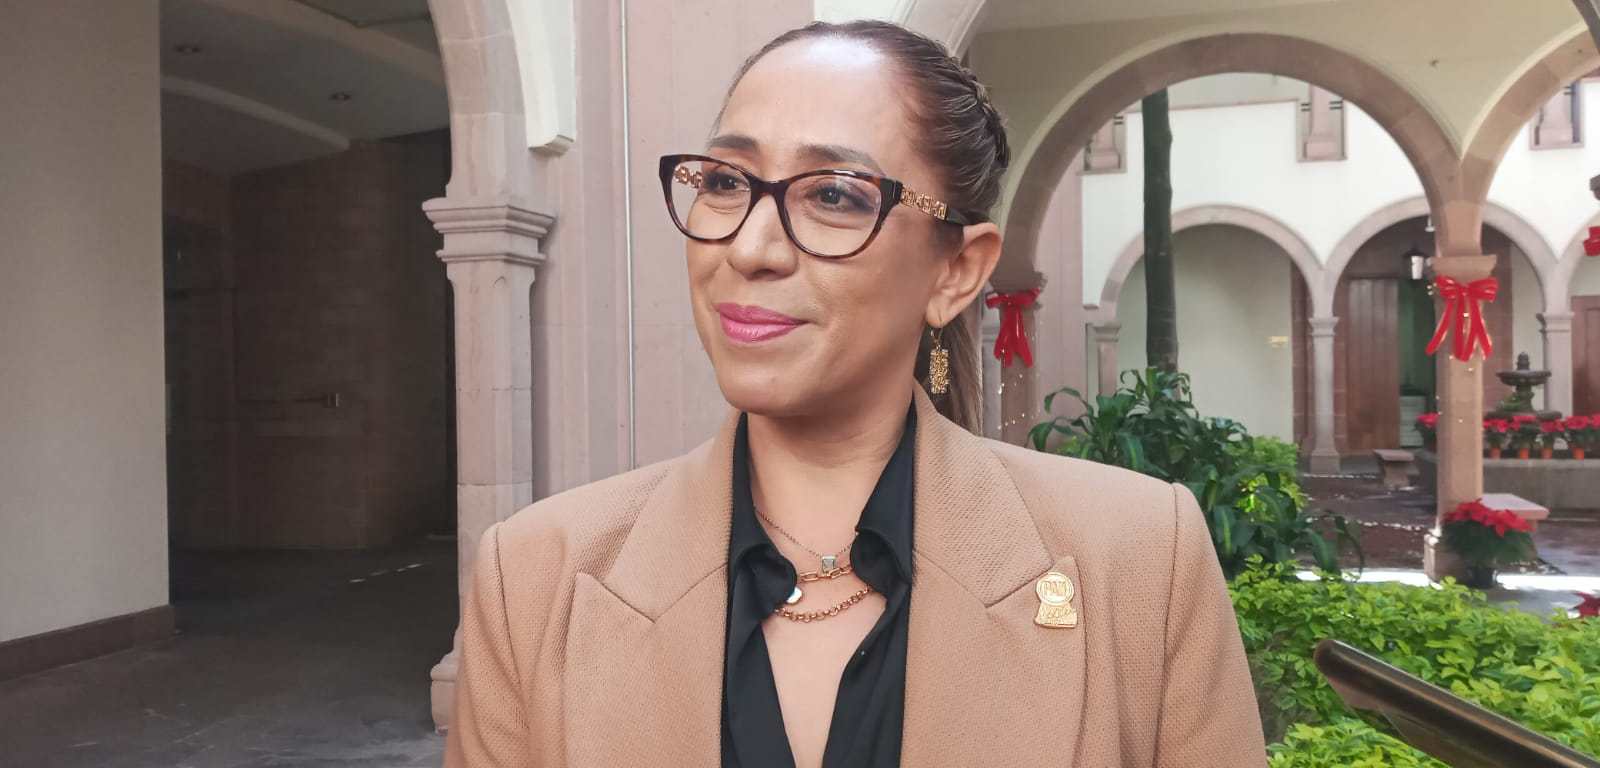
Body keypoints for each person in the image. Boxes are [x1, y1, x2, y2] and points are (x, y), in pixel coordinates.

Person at [444, 19, 1265, 768]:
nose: (750, 248)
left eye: (833, 195)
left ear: (956, 272)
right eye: (725, 181)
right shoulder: (536, 579)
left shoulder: (1140, 561)